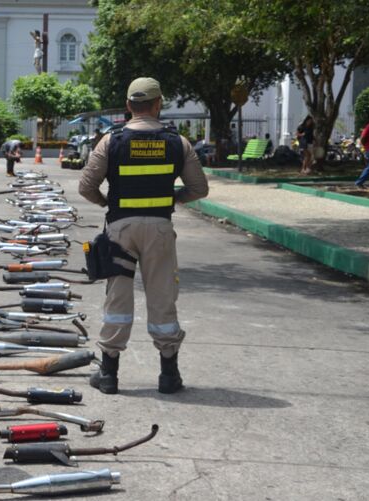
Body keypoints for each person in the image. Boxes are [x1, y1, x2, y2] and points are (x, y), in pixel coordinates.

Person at [78, 77, 209, 395]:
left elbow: (86, 186)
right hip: (160, 231)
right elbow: (199, 188)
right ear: (158, 104)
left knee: (118, 299)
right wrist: (173, 199)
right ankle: (168, 374)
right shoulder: (179, 143)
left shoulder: (111, 141)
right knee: (162, 297)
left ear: (128, 106)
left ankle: (108, 374)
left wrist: (106, 202)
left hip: (121, 229)